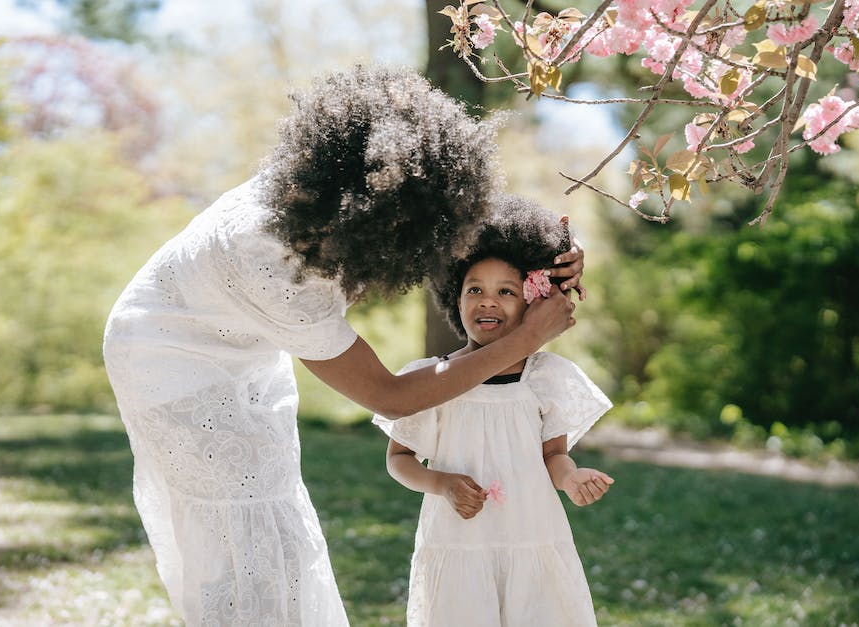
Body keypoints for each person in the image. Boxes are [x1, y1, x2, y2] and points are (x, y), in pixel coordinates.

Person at [102, 65, 586, 626]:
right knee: (239, 532)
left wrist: (553, 258)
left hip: (243, 345)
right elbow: (391, 396)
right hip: (166, 359)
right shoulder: (274, 258)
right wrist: (526, 338)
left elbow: (466, 230)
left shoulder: (334, 196)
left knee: (277, 516)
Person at [373, 195, 614, 627]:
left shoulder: (545, 378)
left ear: (532, 303)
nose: (488, 301)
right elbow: (399, 459)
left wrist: (571, 477)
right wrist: (441, 483)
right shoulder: (432, 379)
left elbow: (553, 456)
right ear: (454, 298)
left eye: (506, 291)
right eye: (474, 290)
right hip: (457, 541)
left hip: (532, 536)